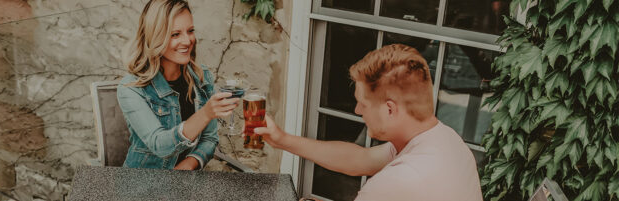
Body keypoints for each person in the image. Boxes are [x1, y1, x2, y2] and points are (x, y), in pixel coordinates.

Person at [254, 44, 483, 200]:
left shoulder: (398, 181)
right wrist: (281, 139)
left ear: (389, 109)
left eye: (363, 103)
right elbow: (360, 159)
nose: (357, 110)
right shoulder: (448, 141)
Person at [116, 0, 239, 170]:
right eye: (175, 34)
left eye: (190, 31)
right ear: (155, 37)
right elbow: (159, 145)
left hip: (184, 183)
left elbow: (209, 140)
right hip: (141, 185)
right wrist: (205, 113)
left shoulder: (202, 78)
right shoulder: (131, 88)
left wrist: (184, 169)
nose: (187, 41)